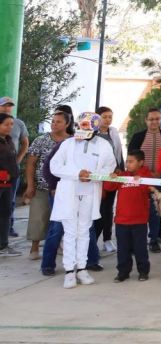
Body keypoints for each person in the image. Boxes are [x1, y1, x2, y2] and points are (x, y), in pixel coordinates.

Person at [49, 112, 116, 288]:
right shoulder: (68, 143)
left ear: (95, 127)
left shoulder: (103, 145)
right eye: (81, 124)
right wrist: (76, 174)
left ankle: (82, 268)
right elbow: (55, 166)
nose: (83, 128)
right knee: (70, 231)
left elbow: (110, 166)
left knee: (85, 230)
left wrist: (94, 176)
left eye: (87, 125)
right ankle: (69, 271)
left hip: (90, 192)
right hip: (69, 192)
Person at [24, 110, 72, 260]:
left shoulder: (71, 141)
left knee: (59, 219)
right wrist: (30, 185)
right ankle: (34, 247)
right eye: (52, 121)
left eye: (58, 122)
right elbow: (31, 164)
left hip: (65, 188)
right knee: (38, 217)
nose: (54, 124)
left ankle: (57, 245)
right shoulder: (41, 140)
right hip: (42, 186)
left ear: (67, 124)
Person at [128, 107, 161, 253]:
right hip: (141, 179)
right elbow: (131, 159)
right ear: (146, 120)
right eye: (151, 119)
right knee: (138, 210)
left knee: (156, 211)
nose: (154, 122)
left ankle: (153, 239)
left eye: (157, 119)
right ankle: (136, 241)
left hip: (159, 181)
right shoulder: (138, 137)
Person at [103, 149, 152, 282]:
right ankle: (123, 272)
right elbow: (108, 187)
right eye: (127, 161)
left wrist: (140, 181)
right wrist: (111, 178)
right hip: (121, 221)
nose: (127, 164)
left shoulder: (146, 176)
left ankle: (143, 271)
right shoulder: (123, 175)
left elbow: (149, 190)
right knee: (122, 250)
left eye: (131, 162)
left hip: (139, 221)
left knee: (140, 248)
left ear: (141, 162)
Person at [92, 106, 124, 254]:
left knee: (108, 209)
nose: (108, 119)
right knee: (96, 209)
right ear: (97, 118)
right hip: (95, 177)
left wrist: (120, 169)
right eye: (104, 116)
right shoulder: (91, 133)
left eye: (110, 116)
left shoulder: (113, 132)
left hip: (111, 177)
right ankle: (92, 242)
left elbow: (118, 153)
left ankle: (107, 239)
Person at [0, 97, 29, 240]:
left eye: (9, 106)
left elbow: (24, 143)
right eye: (4, 105)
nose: (7, 108)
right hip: (1, 174)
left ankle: (7, 231)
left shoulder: (18, 125)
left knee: (9, 202)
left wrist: (17, 161)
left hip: (11, 173)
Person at [0, 114, 19, 257]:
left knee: (5, 213)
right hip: (2, 181)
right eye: (6, 124)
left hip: (8, 185)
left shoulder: (8, 140)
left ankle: (3, 245)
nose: (10, 127)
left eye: (11, 124)